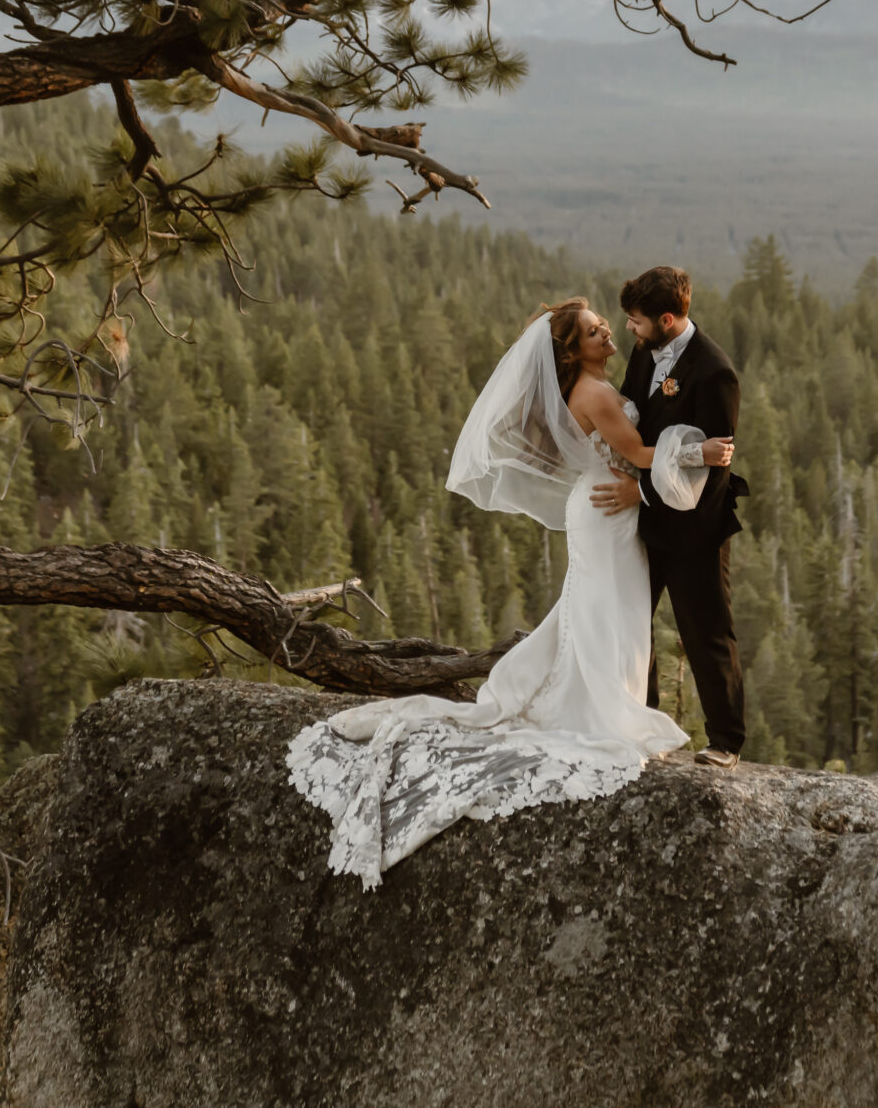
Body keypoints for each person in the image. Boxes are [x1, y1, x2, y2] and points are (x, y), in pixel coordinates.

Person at [285, 297, 736, 887]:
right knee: (609, 613)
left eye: (606, 323)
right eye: (596, 329)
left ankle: (614, 706)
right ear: (572, 350)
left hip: (602, 506)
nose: (609, 331)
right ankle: (608, 713)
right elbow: (642, 454)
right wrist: (699, 452)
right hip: (607, 511)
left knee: (603, 612)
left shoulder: (597, 382)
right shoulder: (598, 393)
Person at [591, 265, 748, 765]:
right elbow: (634, 409)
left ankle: (726, 741)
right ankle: (644, 724)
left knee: (706, 631)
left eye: (636, 322)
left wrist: (641, 491)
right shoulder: (644, 351)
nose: (630, 332)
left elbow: (712, 473)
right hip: (646, 521)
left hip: (696, 525)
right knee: (636, 623)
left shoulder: (715, 372)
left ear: (665, 318)